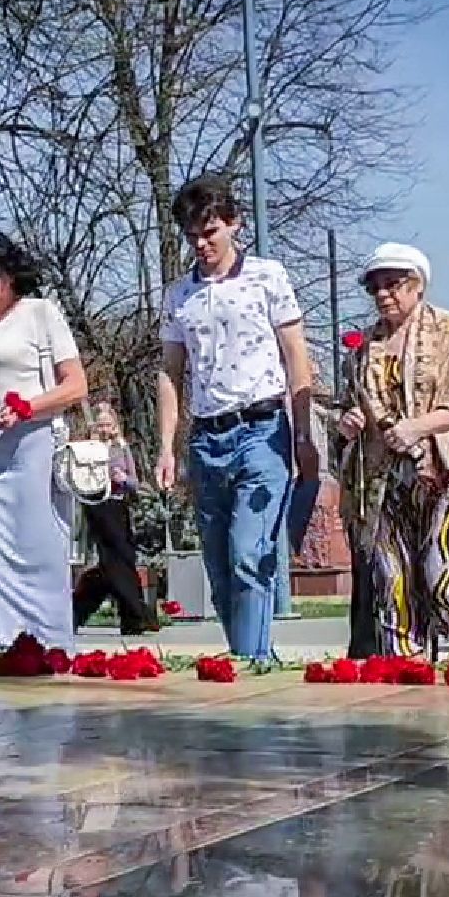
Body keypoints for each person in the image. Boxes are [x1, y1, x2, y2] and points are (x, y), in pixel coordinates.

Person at [154, 175, 319, 661]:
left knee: (250, 554)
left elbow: (296, 357)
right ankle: (247, 657)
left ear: (233, 225)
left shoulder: (267, 276)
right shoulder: (179, 295)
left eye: (210, 232)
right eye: (192, 236)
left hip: (262, 430)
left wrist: (304, 435)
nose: (202, 244)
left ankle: (252, 664)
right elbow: (170, 373)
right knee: (221, 565)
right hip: (208, 437)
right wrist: (166, 448)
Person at [338, 243, 449, 657]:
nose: (383, 294)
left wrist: (419, 427)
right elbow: (353, 402)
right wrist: (351, 421)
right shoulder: (365, 346)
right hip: (383, 473)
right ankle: (404, 661)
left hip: (443, 467)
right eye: (375, 288)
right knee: (391, 577)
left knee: (441, 573)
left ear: (417, 285)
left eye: (392, 285)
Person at [0, 225, 89, 652]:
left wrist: (27, 407)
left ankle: (44, 649)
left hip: (34, 447)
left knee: (35, 554)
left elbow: (76, 385)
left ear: (10, 275)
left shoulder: (40, 313)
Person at [71, 403, 158, 636]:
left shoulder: (122, 448)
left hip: (118, 503)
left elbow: (134, 483)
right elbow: (78, 477)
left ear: (115, 426)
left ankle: (77, 612)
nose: (104, 429)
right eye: (100, 425)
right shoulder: (88, 448)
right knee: (115, 557)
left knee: (118, 561)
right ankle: (136, 614)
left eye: (108, 424)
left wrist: (123, 478)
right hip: (97, 505)